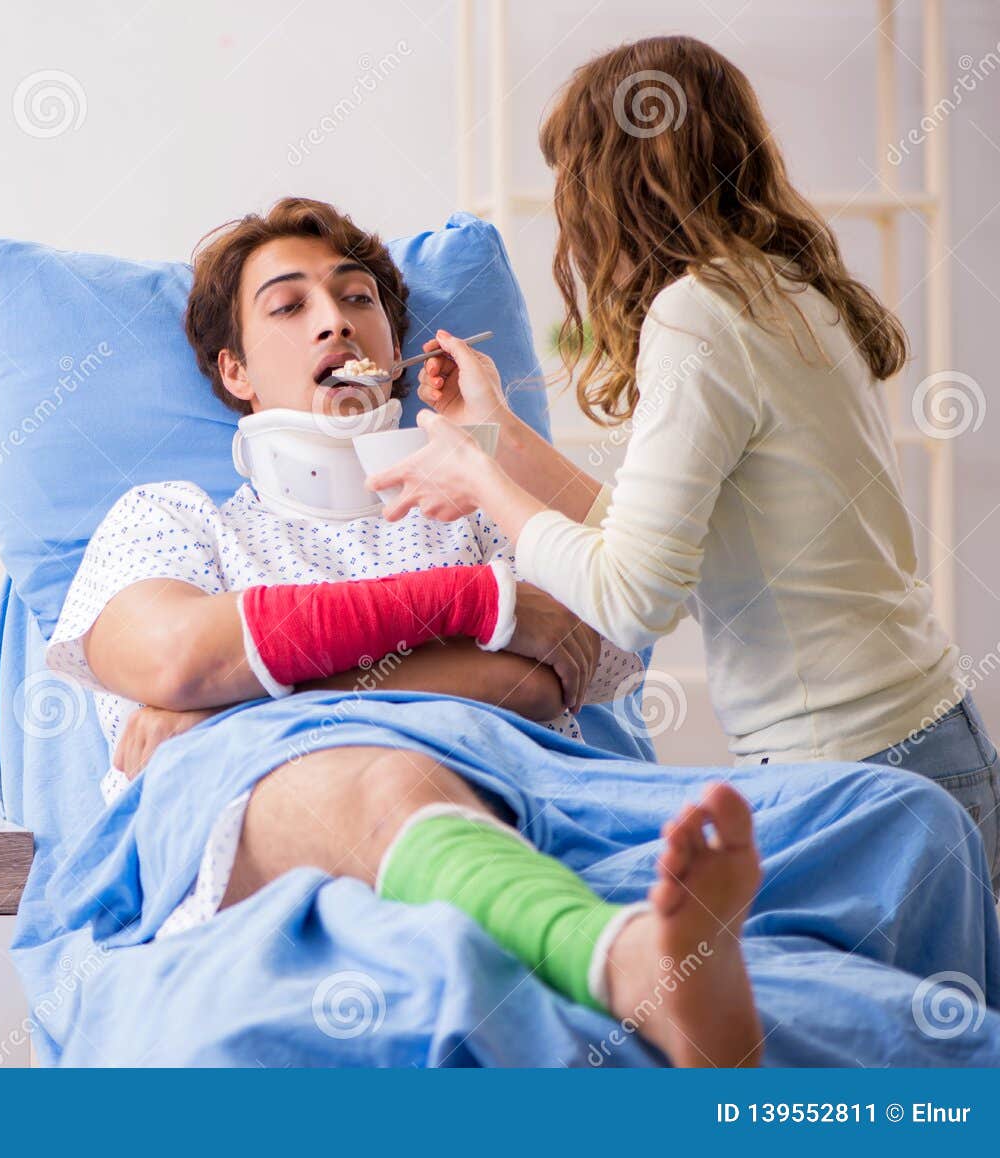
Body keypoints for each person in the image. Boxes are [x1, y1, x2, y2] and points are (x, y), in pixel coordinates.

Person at [43, 197, 769, 1066]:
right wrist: (477, 608)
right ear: (235, 371)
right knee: (390, 778)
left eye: (359, 301)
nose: (335, 323)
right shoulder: (176, 517)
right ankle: (621, 961)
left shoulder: (478, 505)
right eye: (289, 305)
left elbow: (558, 668)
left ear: (394, 349)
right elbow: (172, 653)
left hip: (516, 794)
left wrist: (232, 704)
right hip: (243, 836)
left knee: (898, 811)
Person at [368, 36, 999, 890]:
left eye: (571, 178)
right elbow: (646, 541)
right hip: (920, 740)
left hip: (861, 771)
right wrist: (495, 431)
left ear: (612, 184)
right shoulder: (770, 289)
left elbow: (633, 601)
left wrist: (478, 479)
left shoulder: (696, 318)